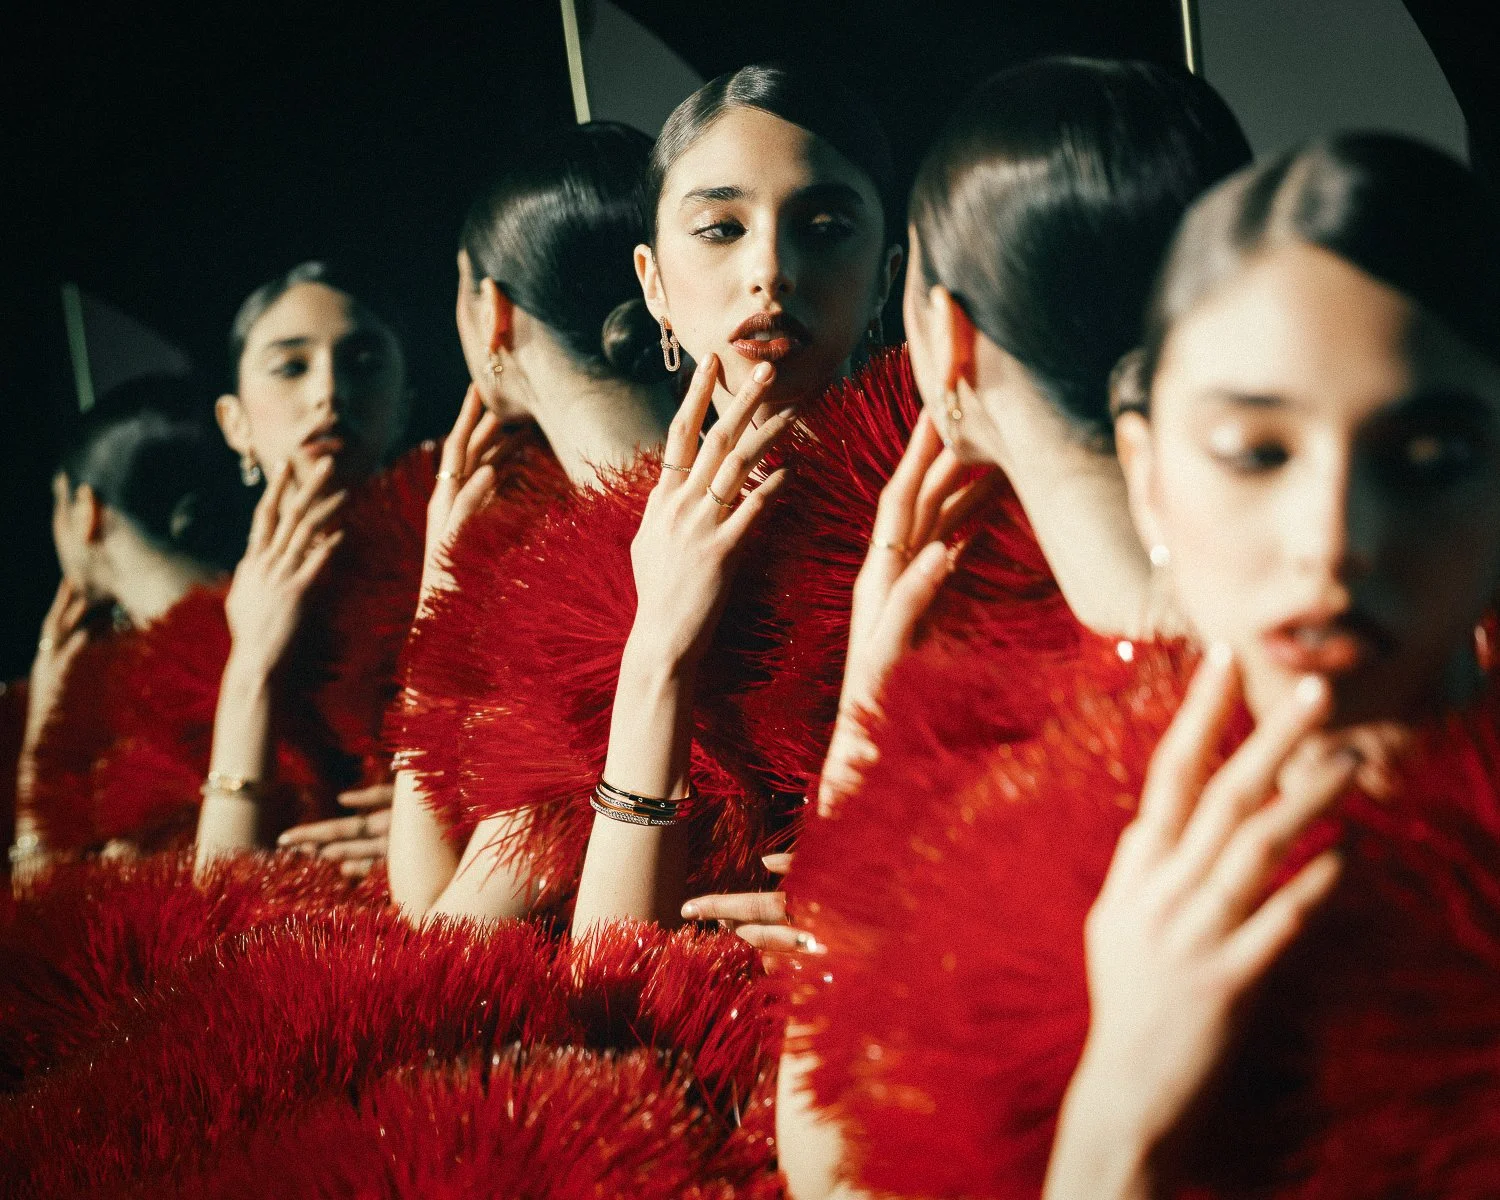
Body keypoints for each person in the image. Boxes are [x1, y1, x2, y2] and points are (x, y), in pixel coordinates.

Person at [785, 132, 1500, 1199]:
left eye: (1431, 460)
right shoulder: (1020, 853)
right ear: (1148, 470)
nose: (1334, 538)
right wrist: (1123, 1104)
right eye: (1257, 452)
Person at [389, 63, 916, 927]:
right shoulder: (595, 576)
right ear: (653, 285)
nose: (771, 270)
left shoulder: (971, 516)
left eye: (824, 227)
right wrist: (656, 647)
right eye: (719, 228)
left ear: (887, 272)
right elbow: (578, 967)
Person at [384, 120, 676, 916]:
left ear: (492, 314)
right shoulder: (658, 525)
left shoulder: (601, 589)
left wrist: (433, 595)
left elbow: (437, 930)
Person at [10, 387, 238, 872]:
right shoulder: (256, 614)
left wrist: (42, 739)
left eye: (58, 501)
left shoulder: (111, 687)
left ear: (85, 511)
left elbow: (44, 914)